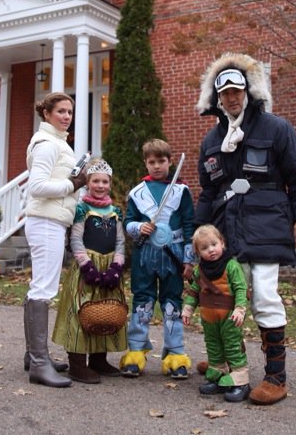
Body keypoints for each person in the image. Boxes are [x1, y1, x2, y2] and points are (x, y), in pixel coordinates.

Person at [194, 53, 296, 405]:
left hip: (268, 224)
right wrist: (198, 234)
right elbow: (209, 192)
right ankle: (226, 362)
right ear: (217, 99)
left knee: (264, 296)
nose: (231, 98)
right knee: (220, 296)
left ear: (248, 91)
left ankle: (276, 377)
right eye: (225, 94)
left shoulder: (277, 129)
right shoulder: (210, 141)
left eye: (237, 90)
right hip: (225, 228)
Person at [21, 91, 89, 388]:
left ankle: (34, 356)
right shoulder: (48, 144)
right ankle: (38, 363)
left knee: (40, 285)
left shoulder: (57, 143)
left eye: (70, 112)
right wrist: (72, 183)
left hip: (51, 220)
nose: (66, 116)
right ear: (46, 114)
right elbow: (36, 186)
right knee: (43, 288)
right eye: (60, 111)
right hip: (45, 221)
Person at [120, 138, 195, 379]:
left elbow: (188, 225)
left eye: (161, 161)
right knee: (142, 302)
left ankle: (175, 353)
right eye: (152, 162)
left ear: (170, 162)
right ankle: (136, 351)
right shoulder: (137, 192)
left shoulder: (181, 191)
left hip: (172, 254)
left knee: (172, 304)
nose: (157, 166)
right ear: (146, 163)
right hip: (145, 256)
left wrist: (188, 260)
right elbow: (128, 221)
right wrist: (138, 227)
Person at [52, 158, 127, 383]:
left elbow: (121, 241)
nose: (100, 185)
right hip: (88, 268)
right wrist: (86, 266)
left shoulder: (115, 211)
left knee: (105, 311)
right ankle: (76, 363)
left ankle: (98, 358)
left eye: (105, 181)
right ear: (88, 183)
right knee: (81, 311)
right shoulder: (82, 208)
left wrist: (117, 266)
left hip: (109, 267)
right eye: (96, 181)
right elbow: (75, 238)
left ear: (110, 184)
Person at [182, 224, 250, 402]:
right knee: (213, 346)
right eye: (204, 248)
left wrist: (240, 309)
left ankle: (240, 380)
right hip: (209, 318)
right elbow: (194, 291)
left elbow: (241, 288)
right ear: (198, 252)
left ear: (222, 243)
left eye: (214, 244)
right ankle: (218, 372)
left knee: (232, 345)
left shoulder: (232, 266)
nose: (211, 250)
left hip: (229, 316)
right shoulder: (199, 270)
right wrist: (188, 309)